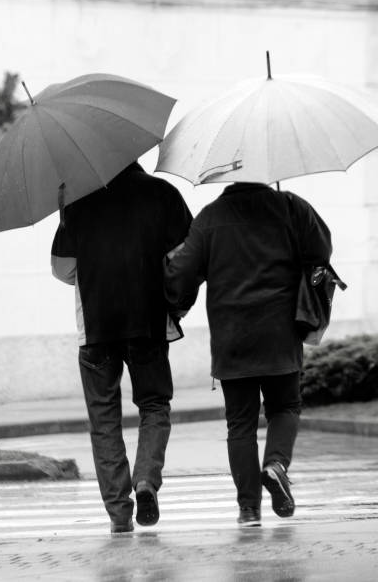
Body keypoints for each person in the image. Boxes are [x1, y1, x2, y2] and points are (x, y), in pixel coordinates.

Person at [164, 182, 332, 526]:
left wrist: (173, 297)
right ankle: (276, 465)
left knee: (240, 423)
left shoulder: (210, 217)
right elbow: (321, 253)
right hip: (281, 330)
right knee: (285, 406)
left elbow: (181, 275)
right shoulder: (291, 208)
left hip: (231, 336)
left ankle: (248, 509)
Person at [51, 161, 192, 534]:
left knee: (103, 421)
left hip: (96, 328)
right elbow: (187, 260)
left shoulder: (78, 201)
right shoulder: (163, 194)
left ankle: (118, 515)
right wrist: (177, 304)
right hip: (147, 323)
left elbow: (62, 269)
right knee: (155, 406)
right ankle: (145, 479)